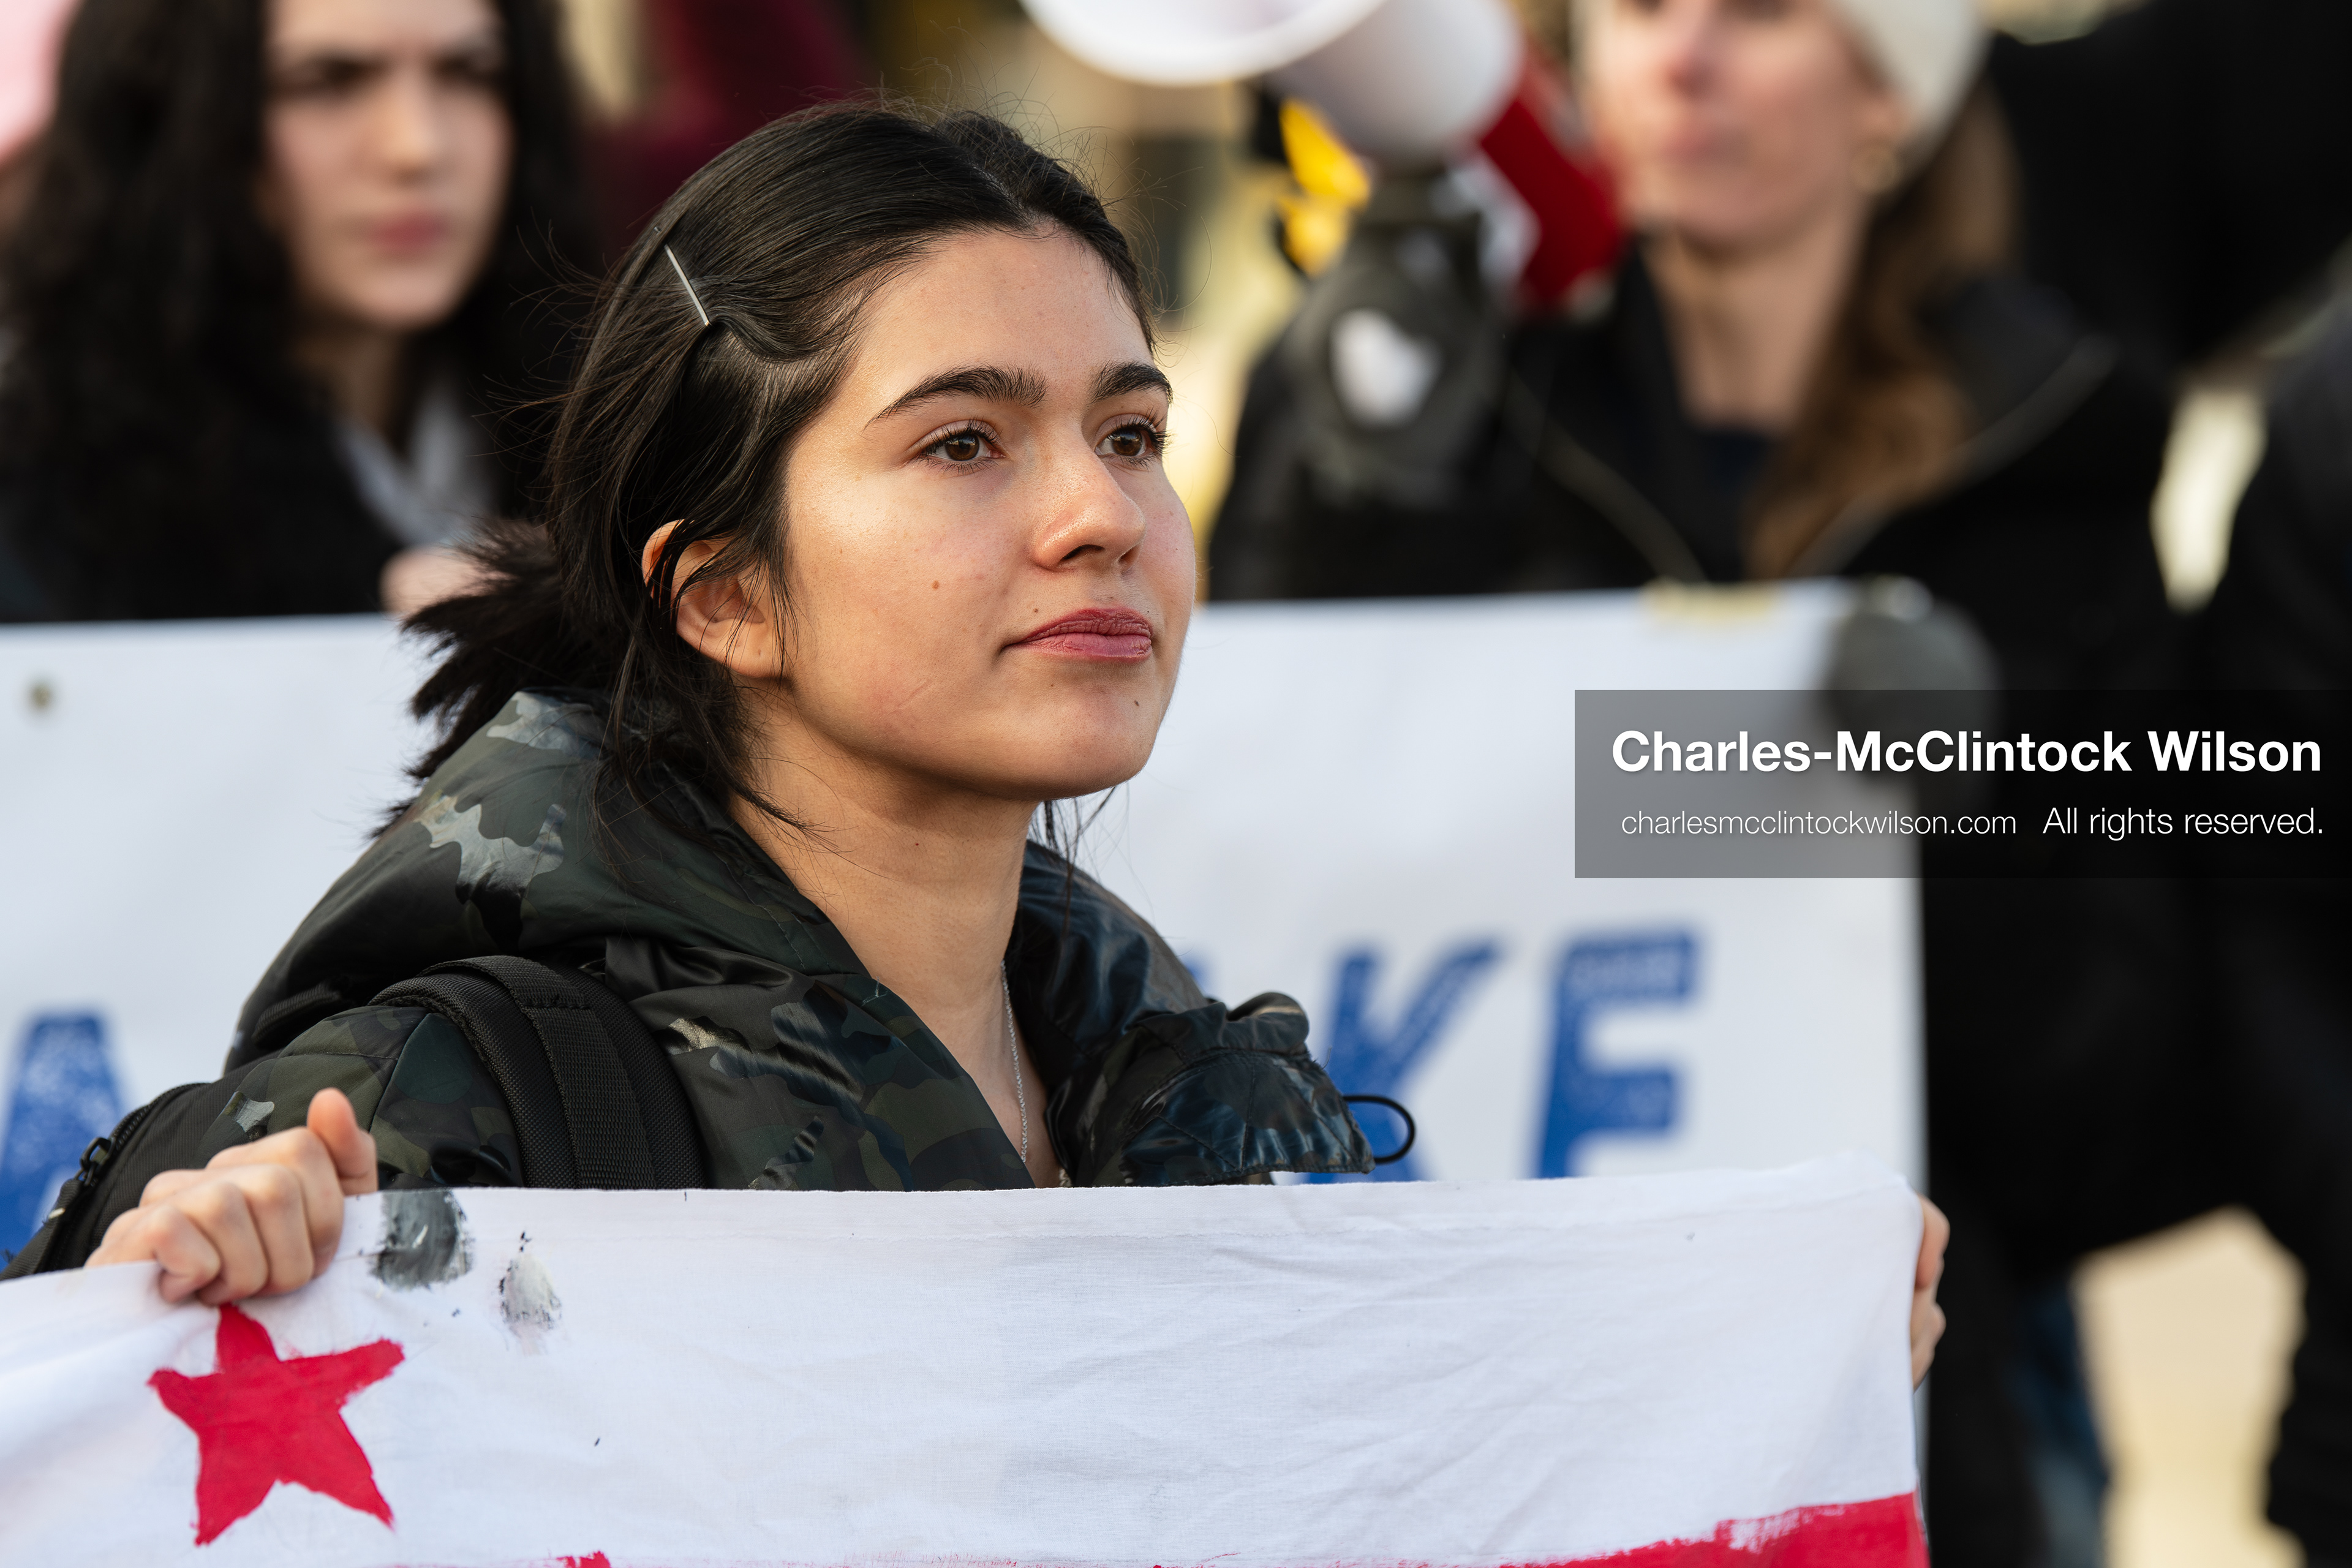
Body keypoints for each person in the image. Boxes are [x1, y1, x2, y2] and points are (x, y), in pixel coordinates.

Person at [10, 103, 1949, 1396]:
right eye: (963, 442)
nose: (1098, 513)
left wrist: (1733, 1368)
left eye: (1127, 431)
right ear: (720, 592)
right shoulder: (458, 1094)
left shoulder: (1190, 1089)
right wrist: (174, 1238)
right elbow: (145, 1361)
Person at [1207, 0, 2352, 1561]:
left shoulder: (2053, 460)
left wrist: (1981, 811)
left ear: (1890, 91)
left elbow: (2124, 1087)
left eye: (1752, 13)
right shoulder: (1427, 406)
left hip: (1920, 1390)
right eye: (1632, 11)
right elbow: (1250, 824)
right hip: (1472, 1387)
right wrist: (1336, 487)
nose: (1678, 59)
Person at [0, 0, 594, 624]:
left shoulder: (616, 417)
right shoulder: (44, 496)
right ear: (174, 108)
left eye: (470, 72)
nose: (418, 146)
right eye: (326, 81)